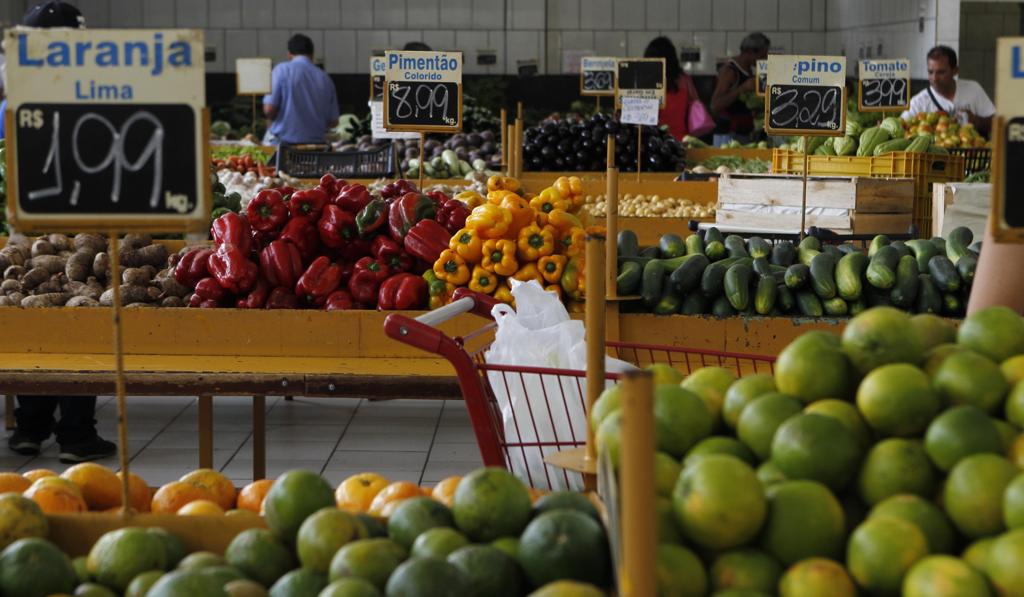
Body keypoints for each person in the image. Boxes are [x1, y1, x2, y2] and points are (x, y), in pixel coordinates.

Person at [6, 1, 116, 463]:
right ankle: (75, 433)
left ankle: (29, 428)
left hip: (29, 227)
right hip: (81, 228)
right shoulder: (96, 98)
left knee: (34, 320)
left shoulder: (15, 101)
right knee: (82, 320)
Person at [263, 34, 340, 145]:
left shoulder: (281, 70)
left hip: (284, 148)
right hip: (316, 149)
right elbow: (333, 122)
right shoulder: (325, 78)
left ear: (289, 54)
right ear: (312, 55)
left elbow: (269, 110)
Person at [902, 45, 994, 137]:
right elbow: (901, 127)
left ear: (955, 71)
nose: (934, 78)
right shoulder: (918, 102)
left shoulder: (973, 89)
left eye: (941, 72)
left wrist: (976, 121)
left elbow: (997, 122)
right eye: (930, 72)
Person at [710, 32, 771, 146]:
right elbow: (715, 105)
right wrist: (742, 88)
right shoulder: (730, 71)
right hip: (728, 136)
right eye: (762, 56)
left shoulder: (748, 70)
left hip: (743, 134)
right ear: (750, 52)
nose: (764, 59)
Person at [643, 36, 696, 141]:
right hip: (681, 140)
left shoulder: (646, 82)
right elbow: (696, 105)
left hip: (654, 142)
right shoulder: (684, 80)